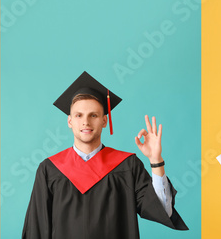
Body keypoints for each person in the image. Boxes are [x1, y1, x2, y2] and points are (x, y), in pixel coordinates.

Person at [22, 71, 188, 238]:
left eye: (93, 115)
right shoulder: (49, 169)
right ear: (70, 121)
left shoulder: (127, 166)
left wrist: (156, 161)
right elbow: (36, 228)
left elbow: (163, 210)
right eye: (79, 115)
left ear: (104, 121)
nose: (86, 122)